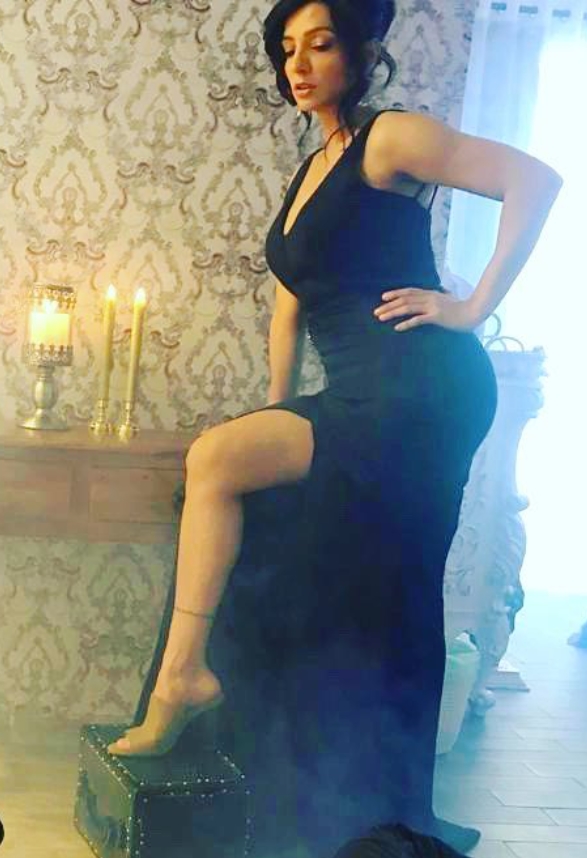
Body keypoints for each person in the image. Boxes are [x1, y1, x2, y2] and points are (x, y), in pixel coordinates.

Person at [107, 0, 562, 855]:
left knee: (217, 462)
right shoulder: (314, 167)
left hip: (422, 388)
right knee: (237, 476)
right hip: (362, 389)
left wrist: (469, 308)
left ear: (359, 52)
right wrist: (274, 408)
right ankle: (261, 730)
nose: (299, 64)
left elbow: (533, 181)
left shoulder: (389, 138)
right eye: (287, 49)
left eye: (319, 44)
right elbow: (289, 312)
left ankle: (183, 680)